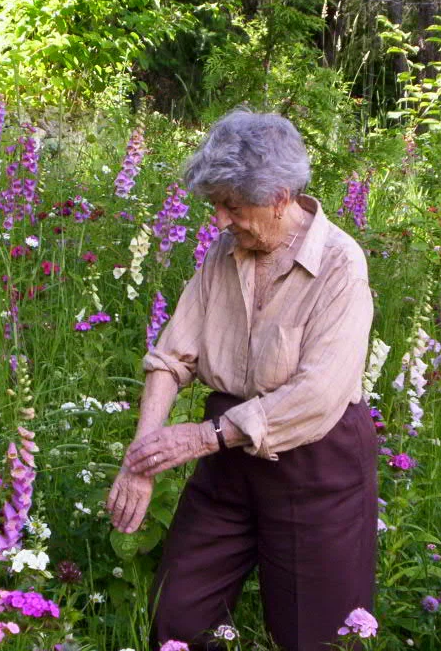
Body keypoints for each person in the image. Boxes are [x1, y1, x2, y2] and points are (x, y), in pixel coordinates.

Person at [106, 111, 378, 651]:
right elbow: (172, 357)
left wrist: (202, 438)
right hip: (226, 462)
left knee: (315, 635)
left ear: (279, 196)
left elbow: (318, 395)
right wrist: (140, 461)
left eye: (233, 205)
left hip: (315, 464)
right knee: (177, 613)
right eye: (216, 205)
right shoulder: (222, 254)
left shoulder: (340, 265)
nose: (221, 220)